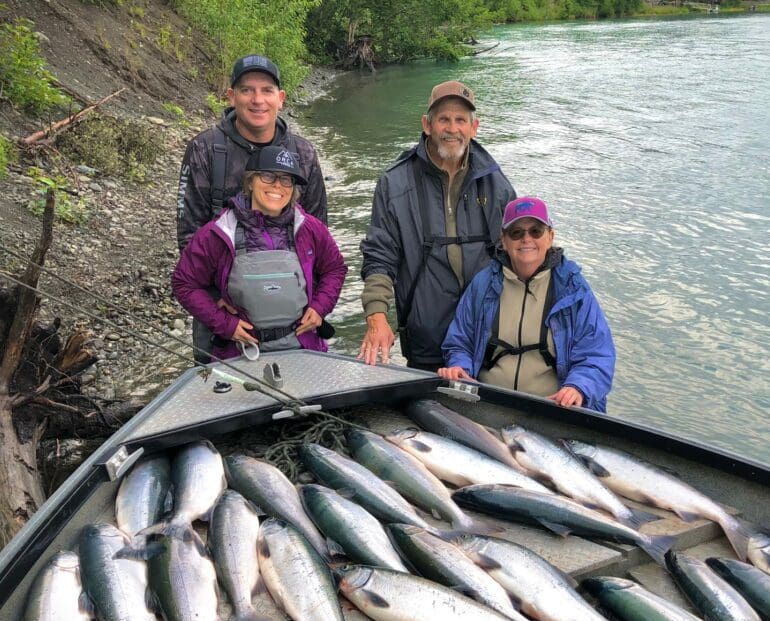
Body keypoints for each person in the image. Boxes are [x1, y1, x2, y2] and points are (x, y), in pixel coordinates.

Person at [176, 55, 328, 361]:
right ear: (231, 96)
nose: (257, 100)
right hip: (226, 314)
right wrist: (216, 304)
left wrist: (319, 305)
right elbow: (189, 233)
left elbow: (319, 236)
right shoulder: (205, 149)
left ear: (280, 99)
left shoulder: (303, 153)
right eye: (247, 90)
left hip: (292, 316)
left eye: (267, 90)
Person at [358, 80, 516, 371]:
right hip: (426, 339)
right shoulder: (394, 183)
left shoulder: (498, 185)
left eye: (460, 120)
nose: (452, 129)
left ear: (474, 127)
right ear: (427, 125)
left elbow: (519, 256)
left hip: (487, 340)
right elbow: (380, 255)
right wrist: (377, 316)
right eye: (443, 119)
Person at [437, 197, 615, 412]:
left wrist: (578, 387)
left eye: (536, 231)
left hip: (552, 410)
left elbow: (597, 355)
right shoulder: (482, 285)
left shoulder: (575, 290)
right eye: (516, 233)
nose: (526, 239)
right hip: (485, 403)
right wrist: (459, 367)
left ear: (550, 237)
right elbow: (459, 341)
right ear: (503, 240)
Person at [171, 146, 346, 362]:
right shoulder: (218, 232)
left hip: (305, 348)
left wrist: (320, 307)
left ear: (293, 189)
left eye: (286, 180)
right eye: (268, 176)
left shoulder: (311, 228)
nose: (277, 185)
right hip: (240, 354)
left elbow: (335, 268)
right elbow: (184, 283)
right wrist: (224, 324)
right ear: (250, 182)